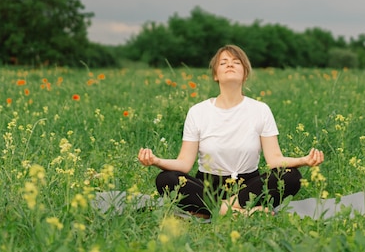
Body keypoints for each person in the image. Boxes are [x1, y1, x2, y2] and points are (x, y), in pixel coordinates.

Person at [137, 44, 324, 217]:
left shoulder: (261, 110)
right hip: (208, 186)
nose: (230, 65)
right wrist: (156, 161)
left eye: (236, 62)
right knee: (166, 179)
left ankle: (215, 210)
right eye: (223, 62)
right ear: (215, 75)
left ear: (245, 74)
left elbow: (275, 160)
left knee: (291, 177)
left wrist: (304, 161)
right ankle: (241, 212)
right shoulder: (198, 111)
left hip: (248, 187)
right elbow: (184, 164)